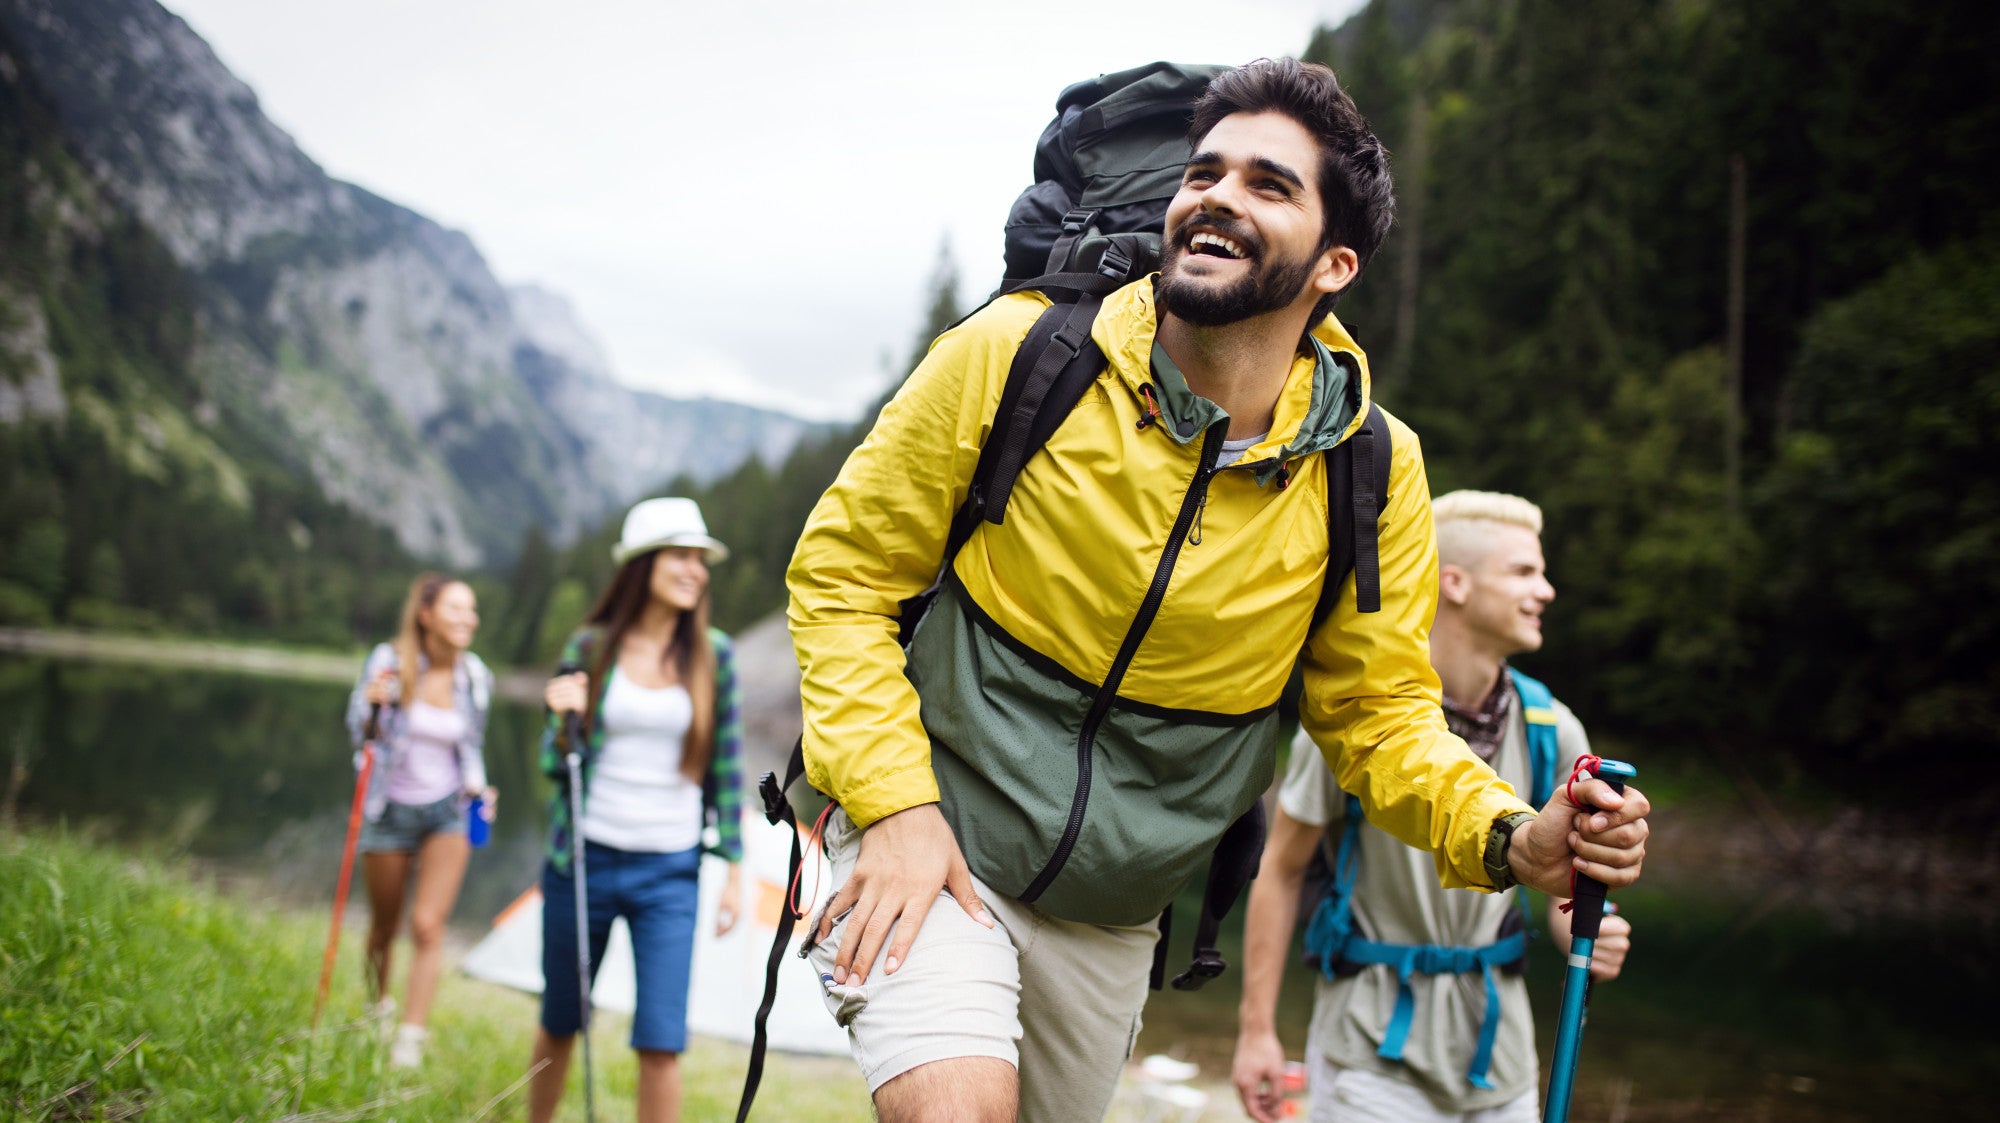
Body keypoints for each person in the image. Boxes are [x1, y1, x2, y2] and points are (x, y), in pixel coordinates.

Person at [784, 57, 1651, 1123]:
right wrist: (896, 809)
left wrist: (1514, 838)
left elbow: (1375, 716)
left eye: (1266, 184)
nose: (1214, 197)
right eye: (1203, 172)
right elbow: (842, 577)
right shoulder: (1016, 354)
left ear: (1335, 263)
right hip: (933, 831)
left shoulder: (1370, 468)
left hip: (1109, 914)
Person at [1232, 490, 1635, 1122]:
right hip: (1370, 1050)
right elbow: (1280, 872)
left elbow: (1563, 890)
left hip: (1500, 1058)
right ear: (1456, 583)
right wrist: (1257, 1030)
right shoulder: (1355, 723)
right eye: (1524, 572)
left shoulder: (1552, 729)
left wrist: (1586, 927)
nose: (1547, 590)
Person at [527, 497, 745, 1123]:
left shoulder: (715, 656)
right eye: (681, 555)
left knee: (661, 1039)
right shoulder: (590, 647)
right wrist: (558, 719)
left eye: (700, 559)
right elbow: (552, 764)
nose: (696, 570)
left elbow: (726, 771)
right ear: (643, 565)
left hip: (670, 872)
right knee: (561, 1019)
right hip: (582, 863)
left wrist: (733, 868)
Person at [344, 571, 497, 1071]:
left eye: (471, 610)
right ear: (426, 615)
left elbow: (471, 744)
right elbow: (359, 733)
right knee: (383, 927)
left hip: (447, 813)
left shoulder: (474, 676)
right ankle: (376, 1010)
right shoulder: (390, 663)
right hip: (387, 809)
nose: (467, 618)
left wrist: (480, 787)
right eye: (456, 608)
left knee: (428, 925)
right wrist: (373, 704)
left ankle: (411, 1036)